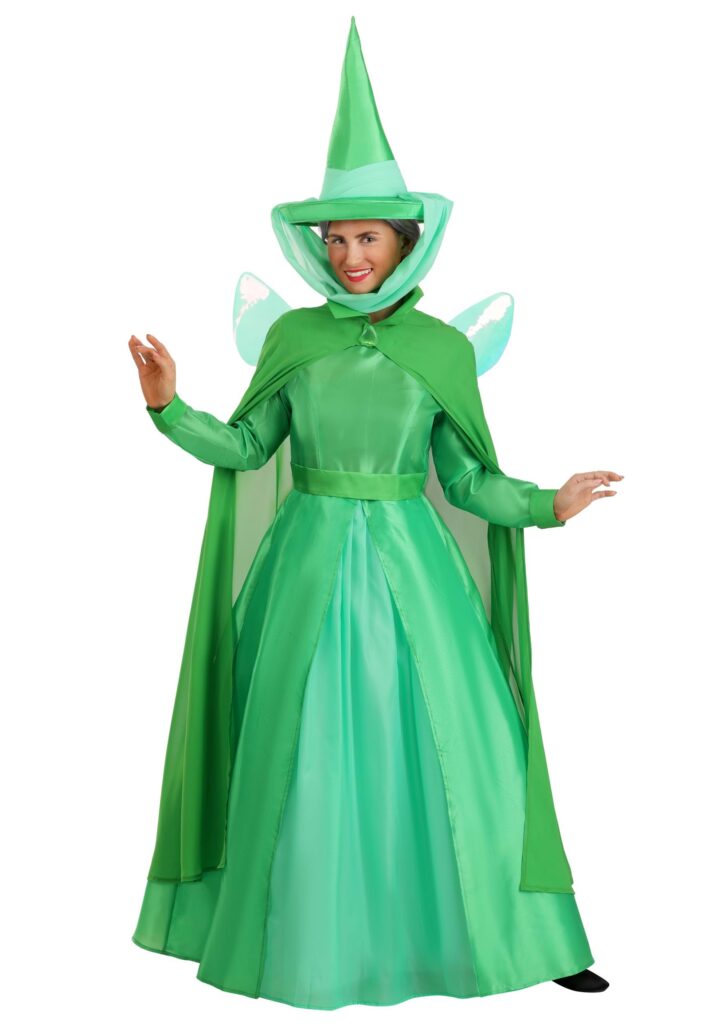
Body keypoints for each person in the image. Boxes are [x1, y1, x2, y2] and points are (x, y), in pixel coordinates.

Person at [129, 18, 619, 1008]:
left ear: (405, 242)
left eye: (368, 238)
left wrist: (547, 504)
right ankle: (297, 947)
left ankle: (524, 942)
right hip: (306, 567)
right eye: (337, 239)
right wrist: (170, 407)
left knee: (469, 749)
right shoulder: (295, 339)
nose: (351, 255)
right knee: (297, 753)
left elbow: (469, 482)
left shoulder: (440, 350)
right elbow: (246, 447)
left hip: (413, 573)